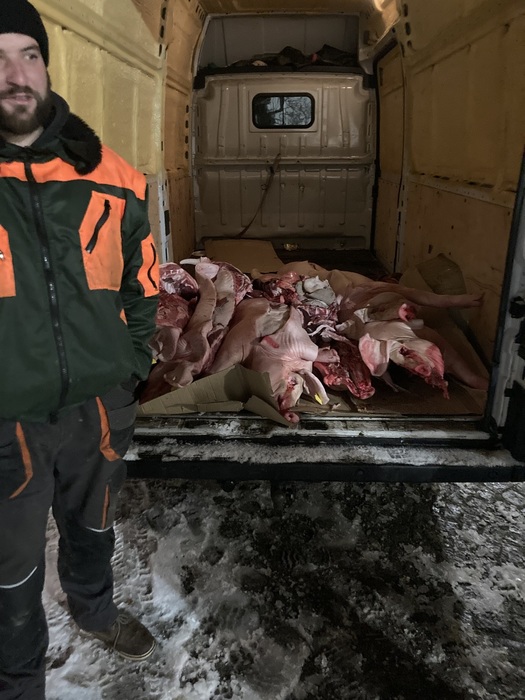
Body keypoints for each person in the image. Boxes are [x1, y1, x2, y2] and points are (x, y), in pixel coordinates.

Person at [0, 1, 160, 697]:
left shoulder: (113, 176)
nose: (16, 75)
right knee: (10, 565)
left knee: (93, 526)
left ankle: (94, 611)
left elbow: (143, 282)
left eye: (29, 54)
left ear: (46, 64)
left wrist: (131, 367)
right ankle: (19, 679)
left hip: (97, 405)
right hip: (8, 420)